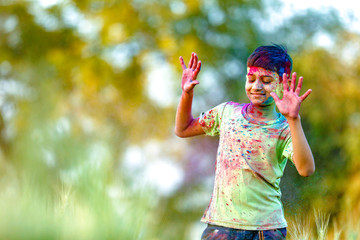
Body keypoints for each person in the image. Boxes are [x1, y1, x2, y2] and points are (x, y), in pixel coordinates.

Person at [174, 45, 315, 240]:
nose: (256, 86)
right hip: (221, 227)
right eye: (251, 79)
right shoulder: (226, 113)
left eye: (266, 81)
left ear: (282, 84)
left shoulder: (284, 128)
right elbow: (183, 129)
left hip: (266, 230)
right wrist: (186, 94)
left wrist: (293, 120)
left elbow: (306, 169)